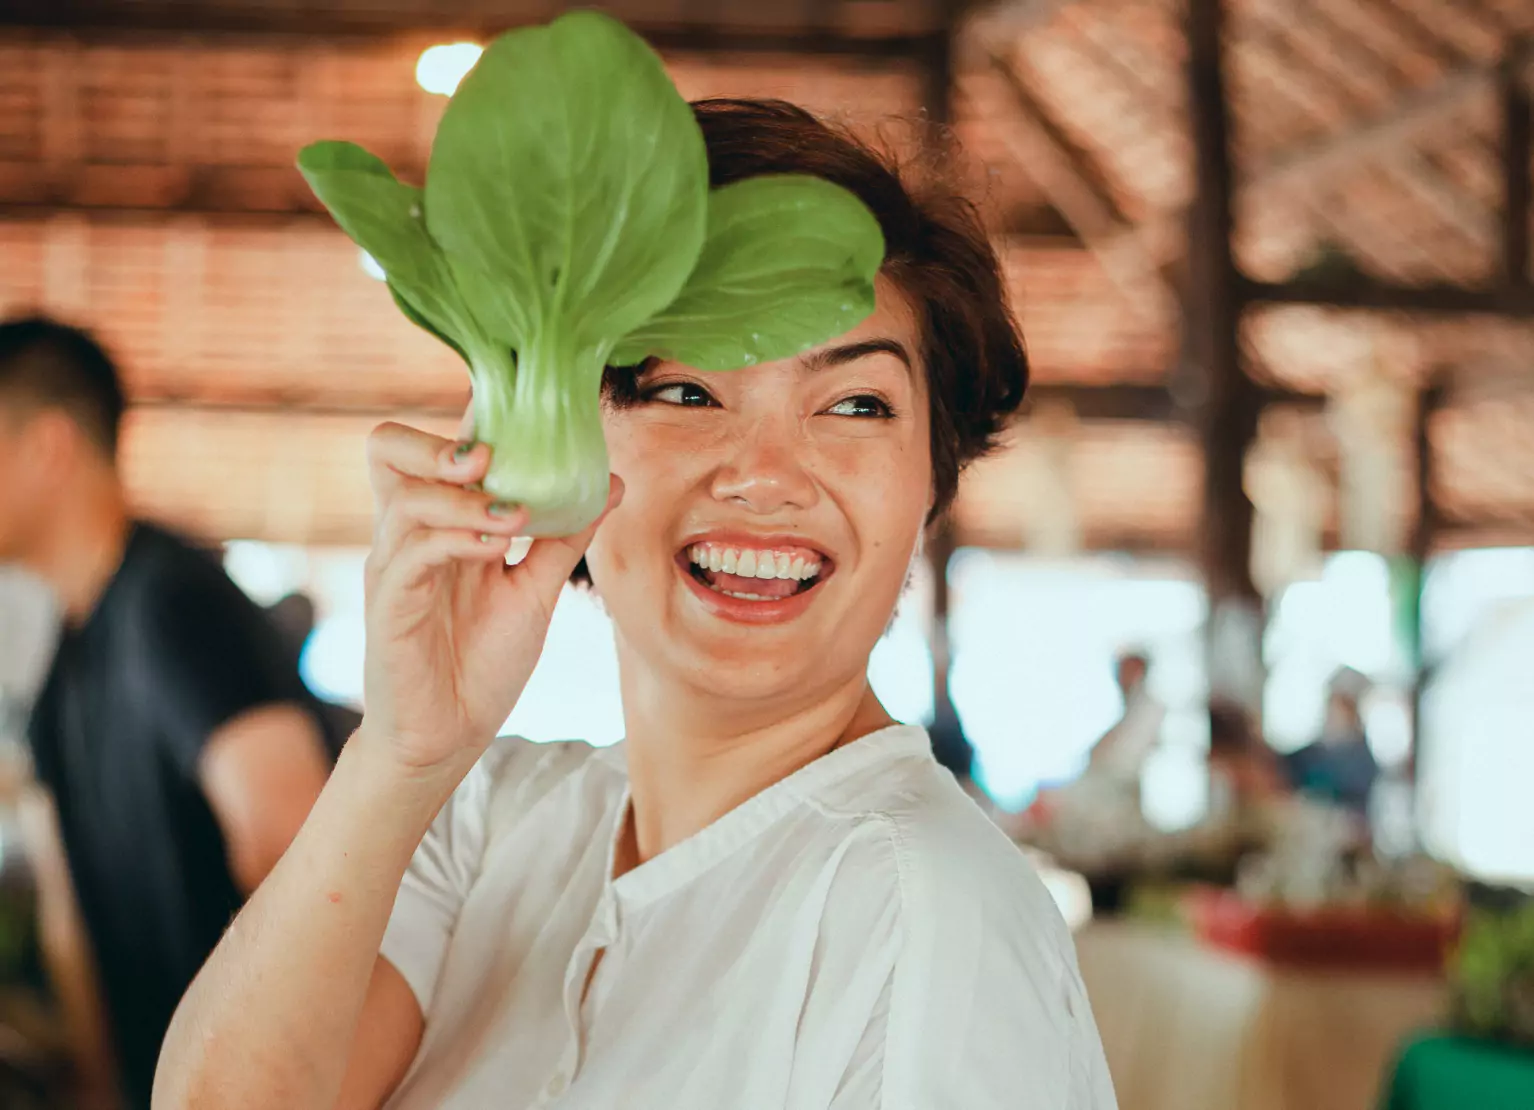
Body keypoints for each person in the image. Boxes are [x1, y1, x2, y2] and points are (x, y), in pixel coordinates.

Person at [156, 99, 1118, 1109]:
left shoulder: (923, 914)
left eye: (853, 404)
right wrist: (401, 758)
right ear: (567, 438)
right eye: (684, 392)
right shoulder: (485, 819)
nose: (764, 476)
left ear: (934, 475)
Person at [0, 317, 338, 1110]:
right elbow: (67, 913)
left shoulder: (175, 602)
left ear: (49, 447)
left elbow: (293, 851)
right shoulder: (63, 668)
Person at [1283, 666, 1379, 817]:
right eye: (1331, 703)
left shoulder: (1362, 761)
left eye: (1342, 704)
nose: (1333, 712)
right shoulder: (1309, 754)